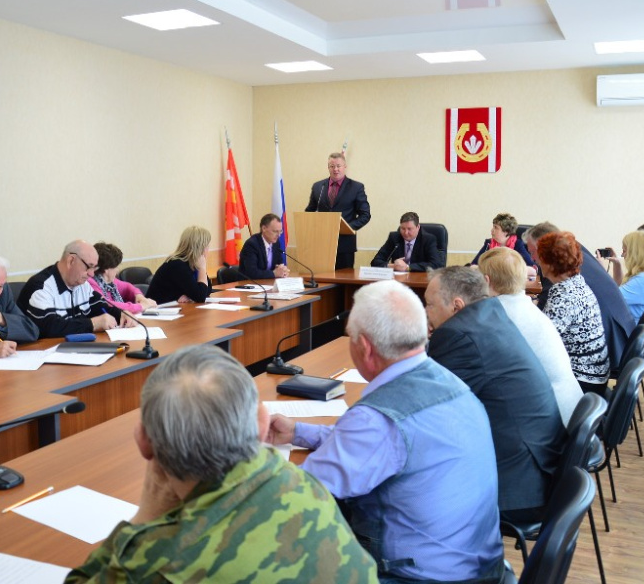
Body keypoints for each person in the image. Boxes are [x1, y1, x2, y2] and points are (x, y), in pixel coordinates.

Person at [65, 345, 377, 583]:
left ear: (143, 440)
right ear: (262, 423)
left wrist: (144, 517)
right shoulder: (304, 484)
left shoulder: (153, 562)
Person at [267, 280, 505, 584]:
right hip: (482, 567)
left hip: (415, 577)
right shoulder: (449, 383)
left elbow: (297, 494)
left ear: (365, 348)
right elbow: (376, 446)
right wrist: (298, 432)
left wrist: (245, 463)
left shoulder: (375, 420)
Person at [424, 267, 565, 522]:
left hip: (518, 488)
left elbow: (429, 408)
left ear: (456, 306)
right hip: (539, 465)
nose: (425, 312)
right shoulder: (490, 313)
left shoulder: (457, 334)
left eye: (429, 304)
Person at [478, 247, 582, 425]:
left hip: (552, 422)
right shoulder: (526, 307)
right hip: (572, 412)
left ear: (486, 281)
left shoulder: (499, 316)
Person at [526, 222, 635, 372]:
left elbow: (542, 340)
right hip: (603, 353)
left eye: (534, 252)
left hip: (599, 358)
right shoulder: (576, 279)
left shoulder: (563, 293)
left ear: (548, 256)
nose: (533, 259)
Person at [533, 233, 611, 397]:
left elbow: (541, 344)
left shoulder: (564, 296)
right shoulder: (576, 282)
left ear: (550, 262)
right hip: (594, 375)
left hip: (583, 382)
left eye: (540, 257)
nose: (537, 261)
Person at [18, 240, 129, 337]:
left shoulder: (82, 284)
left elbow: (101, 306)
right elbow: (48, 327)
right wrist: (93, 324)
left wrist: (122, 315)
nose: (91, 274)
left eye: (94, 268)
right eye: (89, 267)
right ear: (71, 260)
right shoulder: (41, 286)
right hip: (42, 351)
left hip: (72, 348)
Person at [305, 152, 371, 269]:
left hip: (344, 245)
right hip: (321, 243)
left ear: (345, 167)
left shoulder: (356, 187)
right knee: (322, 277)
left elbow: (365, 215)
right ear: (328, 167)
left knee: (343, 278)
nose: (335, 169)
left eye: (338, 166)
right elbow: (309, 212)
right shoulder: (318, 186)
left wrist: (348, 227)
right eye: (332, 166)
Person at [145, 226, 212, 304]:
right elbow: (200, 296)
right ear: (200, 248)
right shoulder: (177, 265)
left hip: (172, 308)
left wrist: (190, 296)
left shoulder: (192, 263)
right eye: (207, 247)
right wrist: (202, 268)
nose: (208, 250)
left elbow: (208, 289)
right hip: (156, 309)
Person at [89, 242, 157, 314]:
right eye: (116, 267)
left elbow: (128, 287)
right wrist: (140, 306)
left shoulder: (109, 282)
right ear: (106, 269)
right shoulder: (90, 283)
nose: (117, 270)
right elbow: (107, 305)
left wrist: (140, 297)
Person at [370, 211, 444, 272]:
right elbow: (375, 262)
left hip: (419, 279)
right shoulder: (394, 238)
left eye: (409, 229)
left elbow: (436, 264)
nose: (405, 233)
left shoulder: (428, 239)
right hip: (397, 280)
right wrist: (393, 266)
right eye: (403, 228)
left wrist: (407, 267)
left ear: (418, 227)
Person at [237, 214, 290, 280]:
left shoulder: (276, 244)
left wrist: (283, 270)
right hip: (248, 283)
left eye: (280, 231)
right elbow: (252, 273)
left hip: (267, 282)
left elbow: (279, 264)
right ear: (264, 228)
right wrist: (273, 273)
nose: (279, 235)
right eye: (275, 231)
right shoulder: (252, 244)